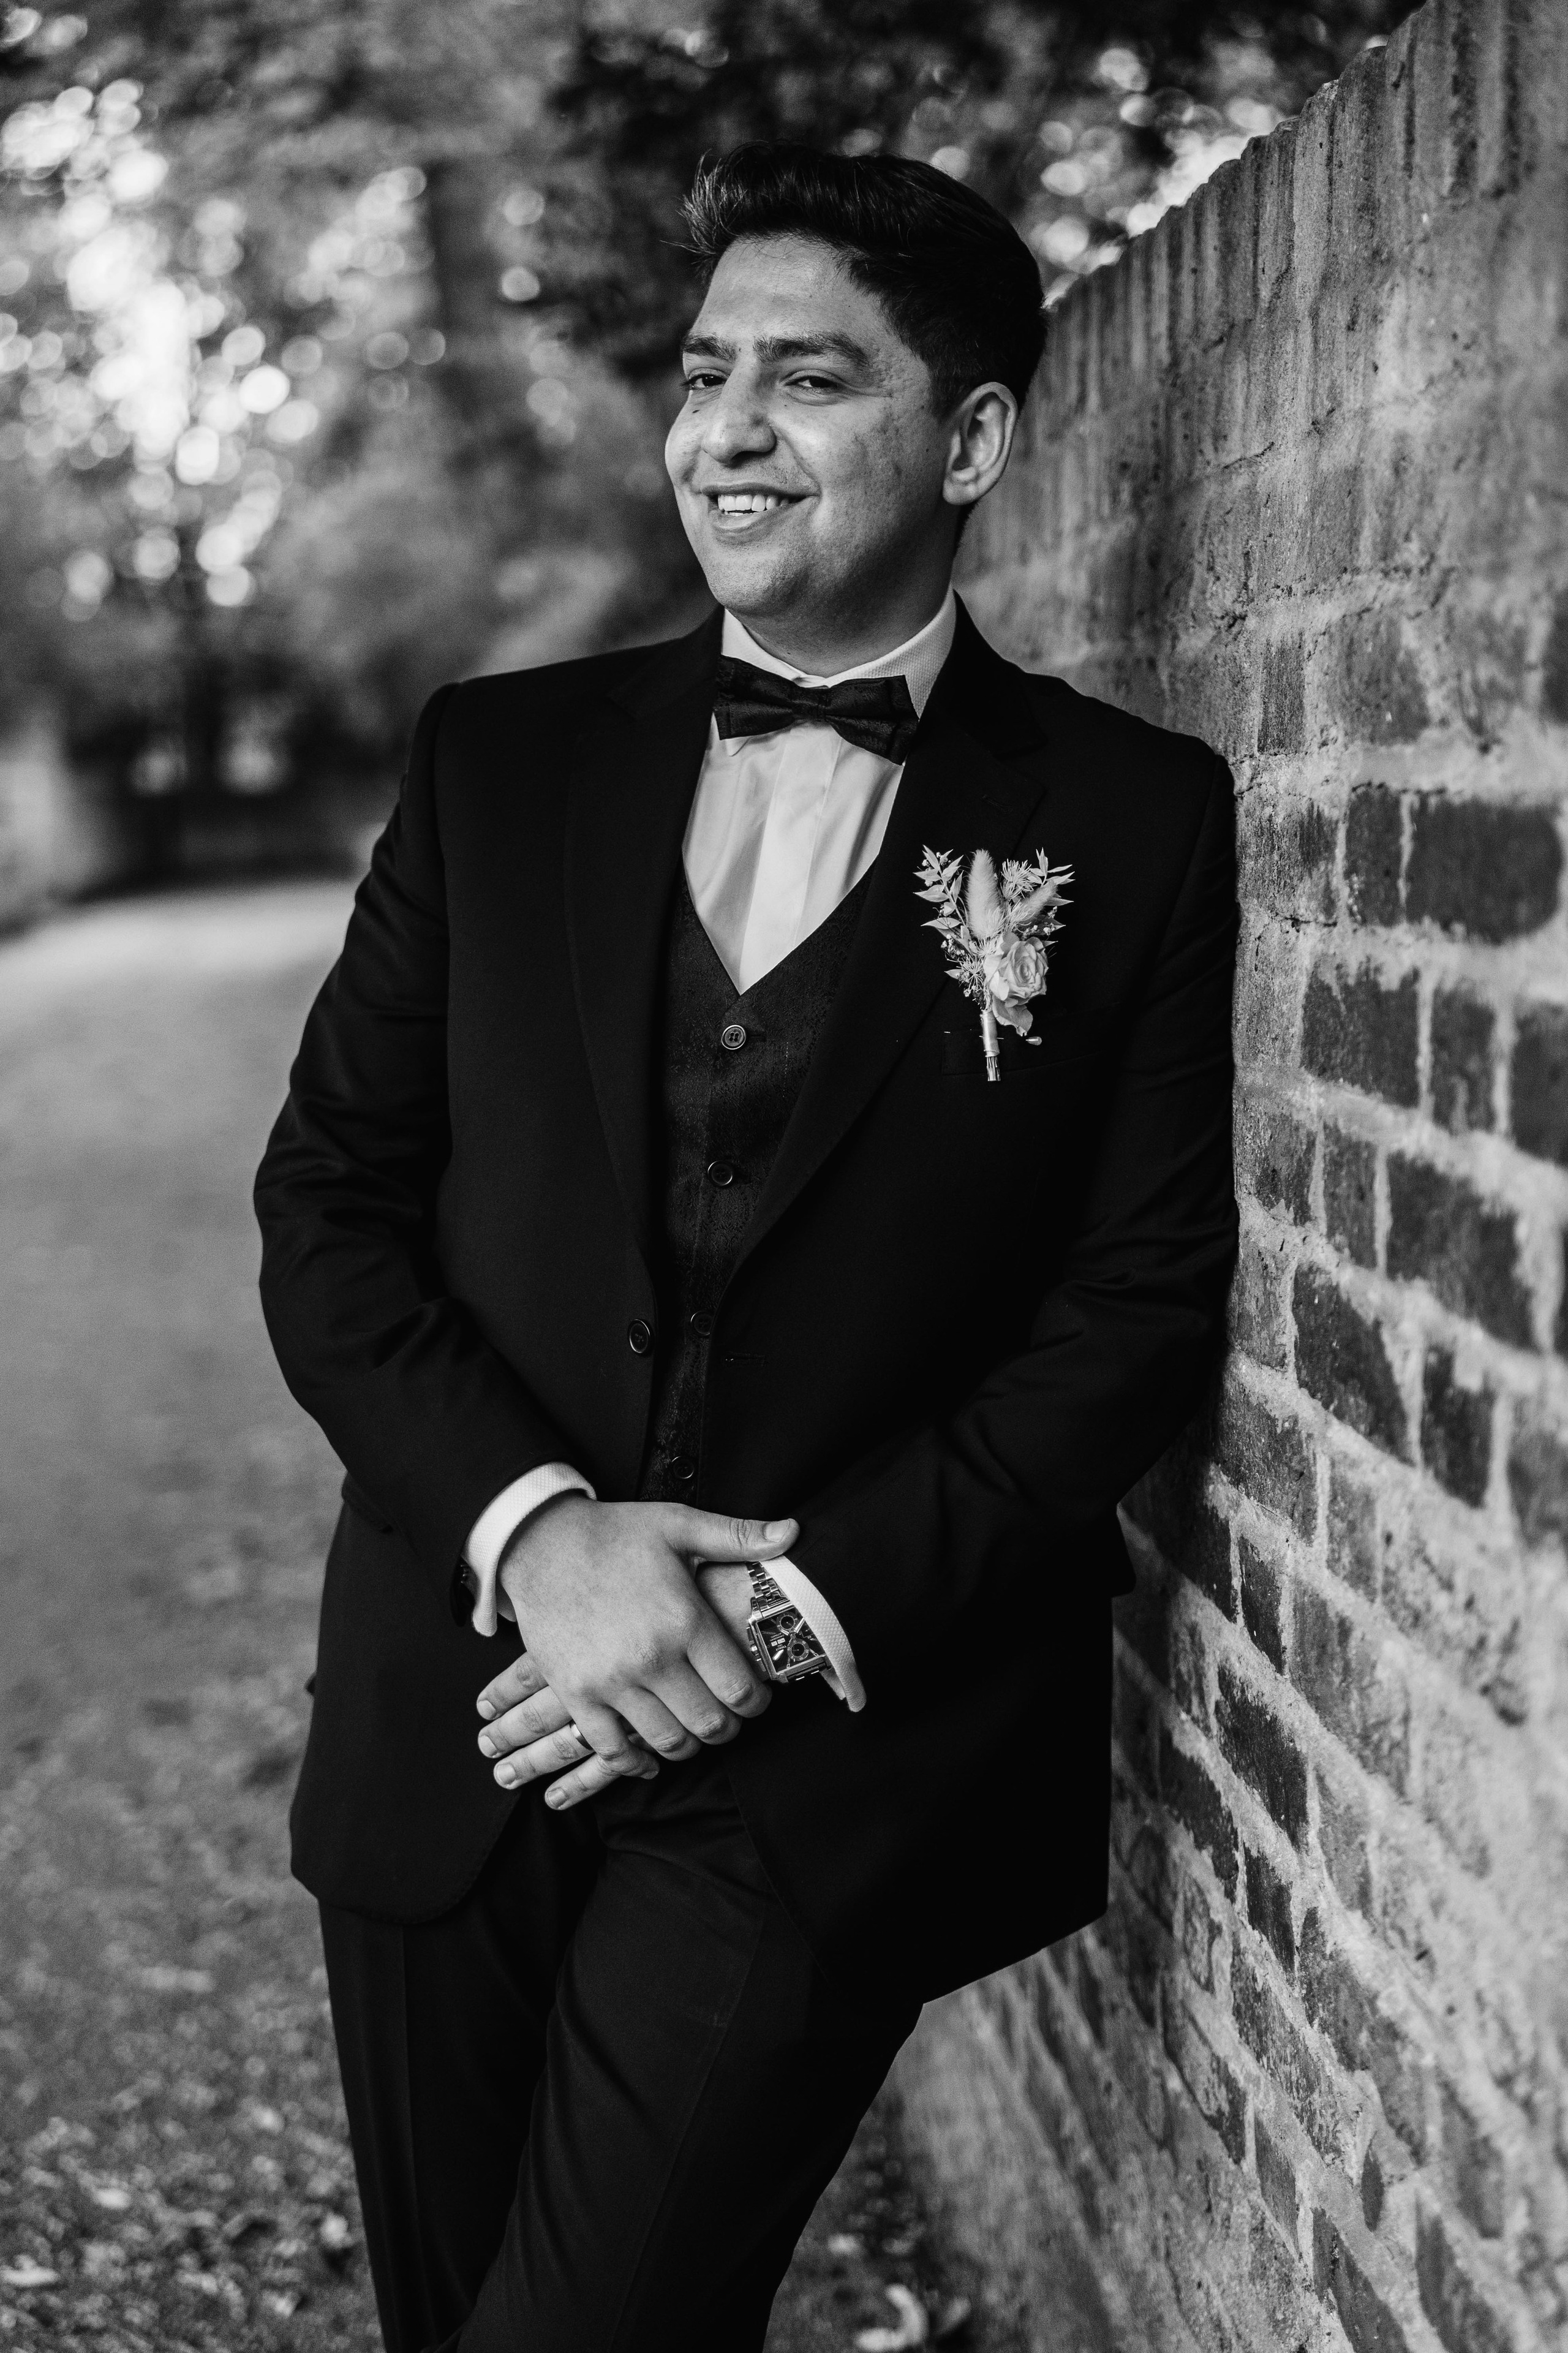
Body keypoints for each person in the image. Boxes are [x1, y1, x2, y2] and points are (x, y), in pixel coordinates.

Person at [254, 142, 1238, 2353]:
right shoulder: (500, 767)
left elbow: (1135, 1309)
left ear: (970, 438)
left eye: (809, 379)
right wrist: (545, 1534)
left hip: (822, 1759)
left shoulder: (1129, 819)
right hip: (466, 1702)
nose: (726, 433)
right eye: (709, 375)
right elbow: (327, 1202)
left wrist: (781, 1613)